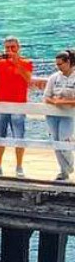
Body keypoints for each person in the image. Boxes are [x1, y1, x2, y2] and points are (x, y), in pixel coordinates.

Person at [0, 35, 34, 176]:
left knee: (19, 136)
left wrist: (16, 62)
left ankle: (19, 167)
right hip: (0, 103)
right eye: (7, 47)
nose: (10, 50)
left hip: (19, 104)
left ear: (18, 48)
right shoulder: (0, 63)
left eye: (13, 47)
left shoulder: (26, 62)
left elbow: (28, 78)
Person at [43, 49, 75, 181]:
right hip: (52, 115)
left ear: (68, 62)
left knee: (64, 140)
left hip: (68, 115)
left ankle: (70, 165)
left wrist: (64, 102)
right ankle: (63, 171)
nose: (58, 67)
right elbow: (46, 96)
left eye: (60, 64)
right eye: (57, 64)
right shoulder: (54, 77)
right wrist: (55, 101)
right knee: (55, 142)